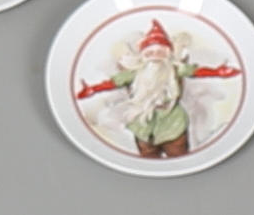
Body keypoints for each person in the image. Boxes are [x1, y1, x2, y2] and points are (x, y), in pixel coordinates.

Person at [76, 19, 241, 157]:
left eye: (160, 53)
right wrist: (91, 89)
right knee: (148, 158)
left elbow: (196, 71)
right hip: (143, 127)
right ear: (143, 56)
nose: (155, 57)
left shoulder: (174, 70)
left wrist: (220, 72)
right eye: (150, 53)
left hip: (173, 126)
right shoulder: (136, 74)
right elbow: (113, 82)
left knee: (178, 156)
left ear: (168, 54)